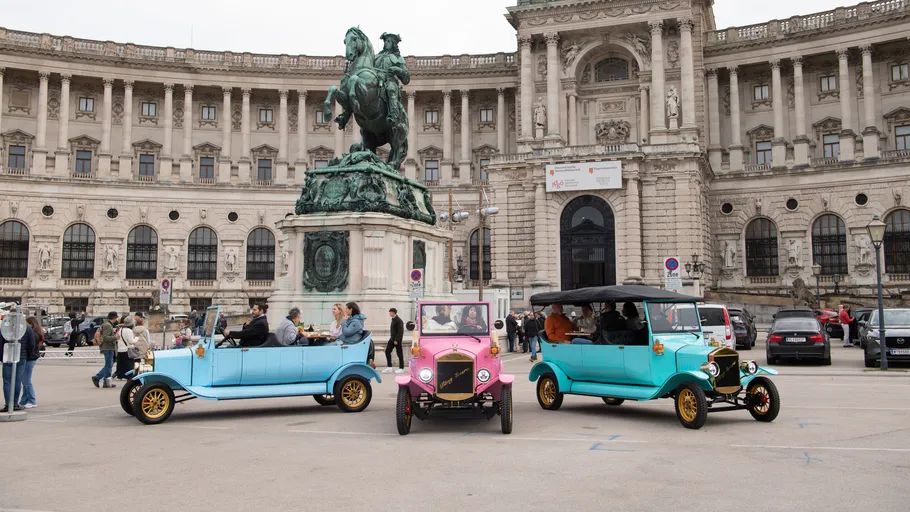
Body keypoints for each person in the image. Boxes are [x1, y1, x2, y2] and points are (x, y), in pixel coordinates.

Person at [1, 313, 37, 412]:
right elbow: (32, 344)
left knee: (7, 381)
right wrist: (27, 355)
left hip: (8, 356)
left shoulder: (5, 328)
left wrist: (2, 357)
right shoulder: (27, 328)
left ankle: (8, 404)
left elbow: (1, 343)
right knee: (17, 380)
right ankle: (15, 404)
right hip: (21, 357)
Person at [19, 316, 42, 409]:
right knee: (24, 380)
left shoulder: (33, 334)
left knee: (26, 380)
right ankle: (24, 399)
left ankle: (32, 400)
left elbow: (30, 346)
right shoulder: (34, 333)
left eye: (27, 324)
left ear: (31, 324)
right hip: (30, 358)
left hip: (30, 358)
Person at [92, 311, 119, 389]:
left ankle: (104, 381)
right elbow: (106, 338)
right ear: (114, 318)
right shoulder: (108, 325)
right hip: (108, 347)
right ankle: (103, 381)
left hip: (108, 347)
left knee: (109, 365)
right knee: (108, 365)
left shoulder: (107, 324)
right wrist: (115, 337)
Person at [384, 308, 405, 373]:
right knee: (387, 351)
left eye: (390, 312)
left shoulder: (399, 321)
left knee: (399, 354)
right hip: (392, 339)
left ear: (394, 313)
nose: (390, 314)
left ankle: (401, 368)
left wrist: (397, 340)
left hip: (397, 340)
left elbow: (400, 332)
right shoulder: (393, 320)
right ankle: (389, 367)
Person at [115, 315, 135, 380]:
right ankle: (129, 378)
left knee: (122, 365)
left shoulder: (120, 329)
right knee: (129, 366)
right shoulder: (129, 331)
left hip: (120, 350)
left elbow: (117, 339)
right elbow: (131, 341)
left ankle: (121, 376)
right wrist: (136, 339)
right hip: (127, 350)